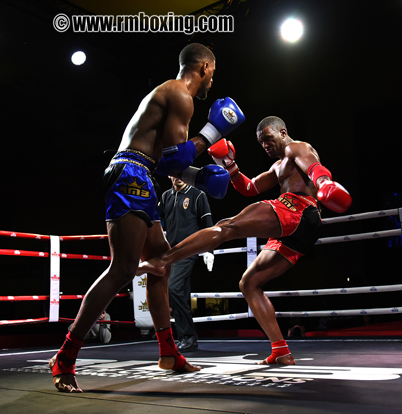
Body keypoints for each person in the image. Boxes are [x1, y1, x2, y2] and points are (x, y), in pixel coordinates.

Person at [49, 43, 245, 393]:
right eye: (213, 72)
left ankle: (169, 353)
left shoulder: (173, 96)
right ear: (203, 67)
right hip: (131, 174)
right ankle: (65, 356)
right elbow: (172, 160)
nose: (213, 80)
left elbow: (168, 161)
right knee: (123, 269)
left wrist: (201, 178)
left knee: (160, 261)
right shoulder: (179, 94)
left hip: (142, 174)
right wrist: (213, 132)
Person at [139, 116, 351, 365]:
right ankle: (281, 350)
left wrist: (325, 183)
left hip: (298, 209)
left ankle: (163, 259)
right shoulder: (278, 166)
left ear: (283, 132)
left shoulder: (297, 147)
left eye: (268, 139)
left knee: (225, 227)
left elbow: (314, 167)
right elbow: (250, 187)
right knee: (249, 282)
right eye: (261, 143)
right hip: (303, 229)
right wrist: (230, 166)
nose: (265, 146)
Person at [160, 175, 214, 352]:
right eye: (174, 174)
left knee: (173, 288)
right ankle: (188, 338)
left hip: (189, 249)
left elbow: (207, 224)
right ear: (169, 175)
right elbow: (157, 222)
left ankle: (188, 335)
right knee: (181, 293)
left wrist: (209, 249)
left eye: (181, 173)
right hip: (171, 252)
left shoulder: (198, 194)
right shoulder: (166, 196)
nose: (178, 178)